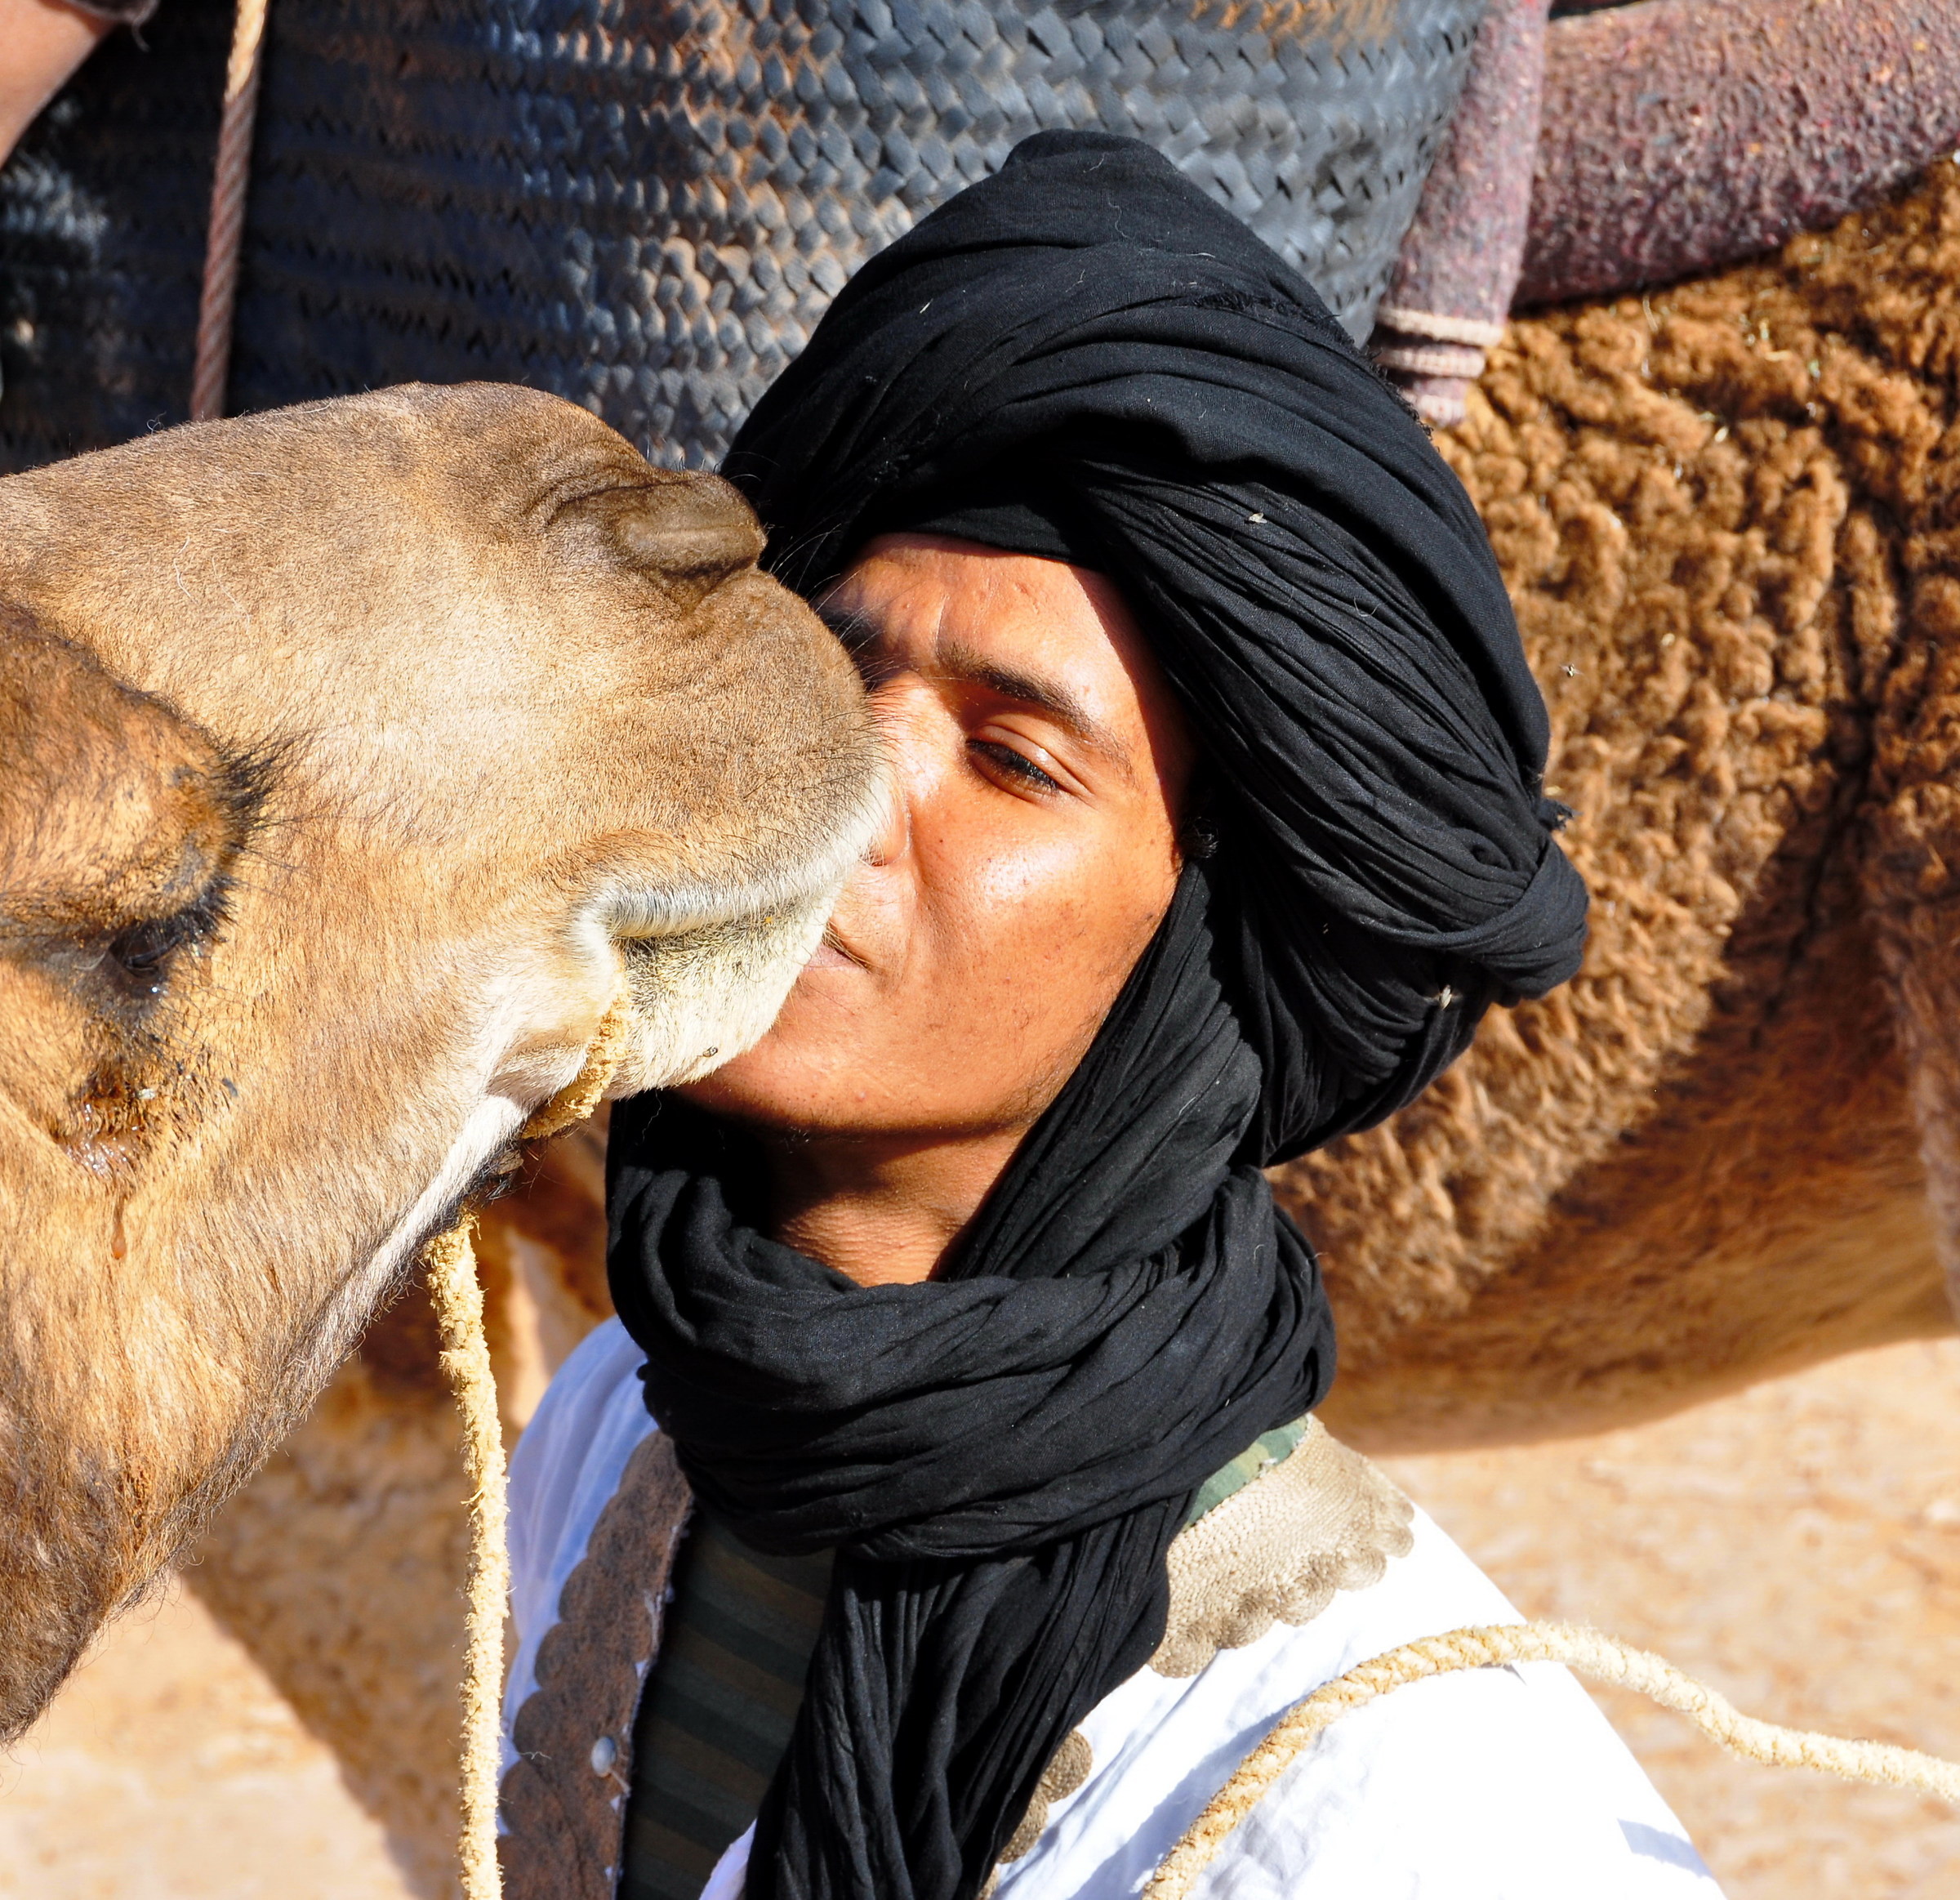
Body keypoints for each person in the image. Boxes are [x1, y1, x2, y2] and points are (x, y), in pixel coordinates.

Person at [497, 132, 1722, 1900]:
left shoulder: (1409, 1799)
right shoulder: (619, 1424)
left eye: (1012, 758)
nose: (840, 785)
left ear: (1198, 945)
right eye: (830, 671)